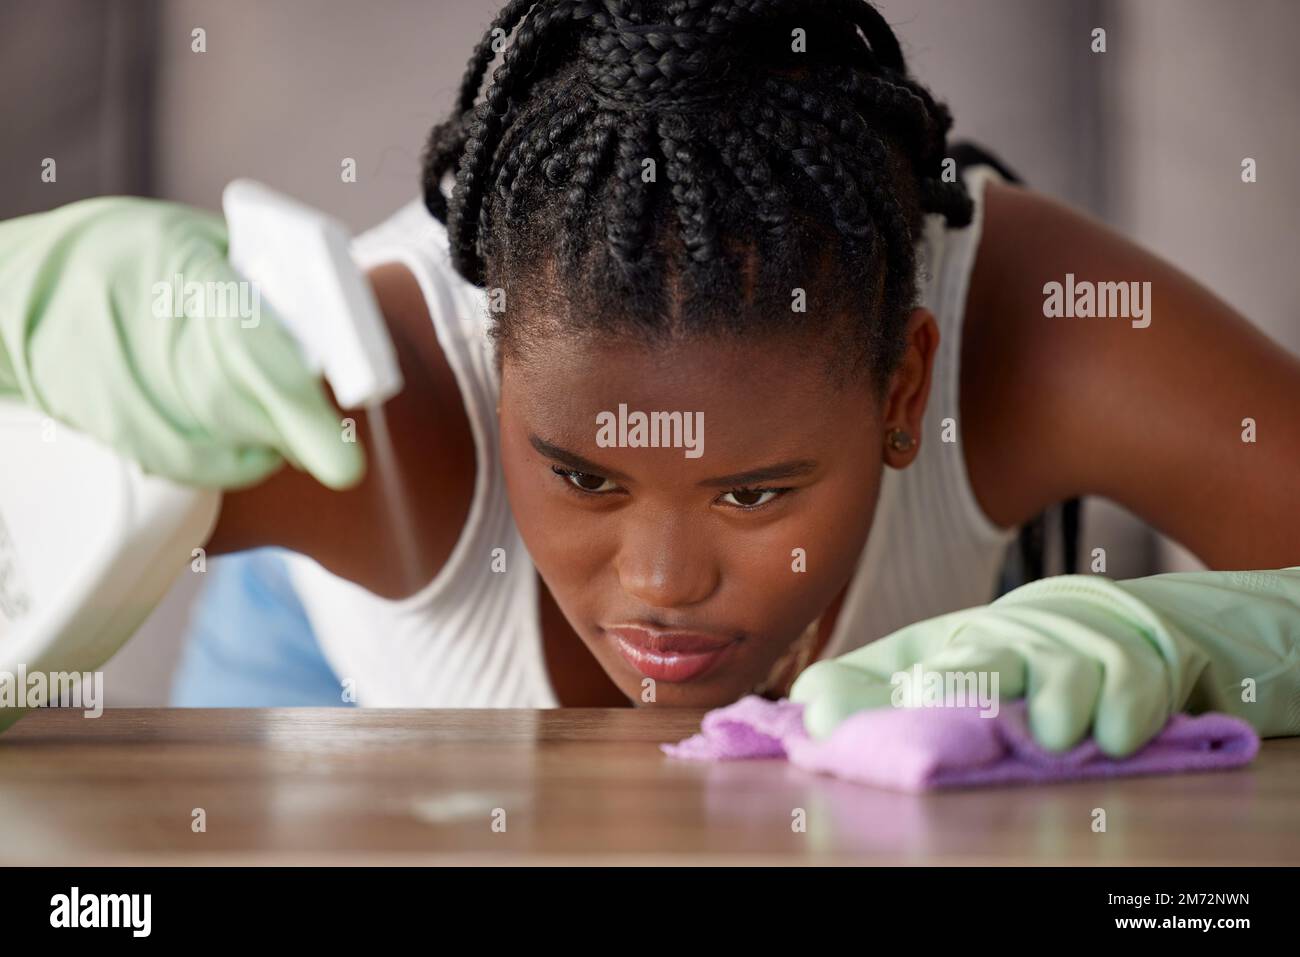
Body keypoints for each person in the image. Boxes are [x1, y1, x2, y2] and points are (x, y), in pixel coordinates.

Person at [3, 1, 1298, 752]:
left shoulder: (1026, 329)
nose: (662, 587)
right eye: (579, 473)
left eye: (755, 491)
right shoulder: (361, 414)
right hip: (320, 653)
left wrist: (1189, 642)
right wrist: (20, 314)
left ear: (909, 389)